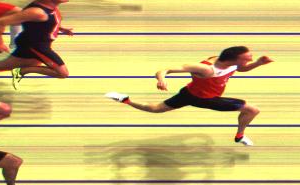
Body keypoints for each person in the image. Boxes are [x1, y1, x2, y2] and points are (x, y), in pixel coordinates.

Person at [105, 46, 274, 146]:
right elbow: (165, 69)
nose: (250, 59)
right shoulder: (206, 69)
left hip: (189, 93)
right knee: (252, 110)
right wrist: (161, 79)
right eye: (247, 58)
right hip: (206, 99)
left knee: (155, 109)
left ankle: (125, 100)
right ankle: (240, 136)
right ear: (233, 59)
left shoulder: (232, 64)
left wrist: (258, 63)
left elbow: (241, 68)